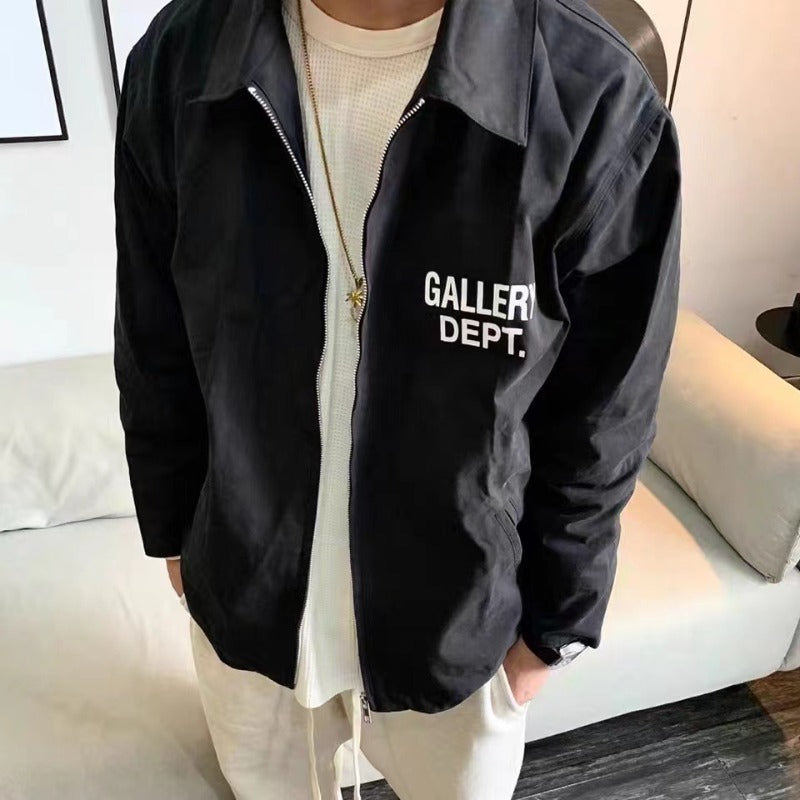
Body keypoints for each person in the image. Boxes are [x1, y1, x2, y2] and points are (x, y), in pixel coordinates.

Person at [113, 0, 681, 797]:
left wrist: (554, 629)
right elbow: (153, 336)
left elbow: (608, 409)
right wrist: (175, 529)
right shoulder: (181, 59)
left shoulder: (593, 96)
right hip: (245, 607)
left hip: (462, 631)